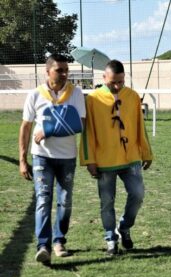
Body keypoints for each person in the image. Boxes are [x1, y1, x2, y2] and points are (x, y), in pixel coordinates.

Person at [80, 60, 153, 256]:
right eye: (113, 82)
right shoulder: (93, 99)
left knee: (138, 194)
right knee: (107, 201)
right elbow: (88, 132)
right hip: (104, 161)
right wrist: (90, 160)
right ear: (104, 78)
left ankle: (125, 227)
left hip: (131, 158)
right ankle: (110, 238)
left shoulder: (132, 96)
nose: (117, 86)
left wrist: (146, 152)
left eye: (120, 82)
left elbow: (140, 127)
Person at [19, 54, 86, 264]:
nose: (65, 74)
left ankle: (59, 240)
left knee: (65, 202)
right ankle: (43, 246)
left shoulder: (76, 93)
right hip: (42, 157)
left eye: (66, 70)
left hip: (67, 157)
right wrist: (22, 159)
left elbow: (79, 124)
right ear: (47, 72)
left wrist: (49, 130)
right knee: (43, 200)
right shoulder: (35, 95)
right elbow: (26, 127)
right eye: (60, 70)